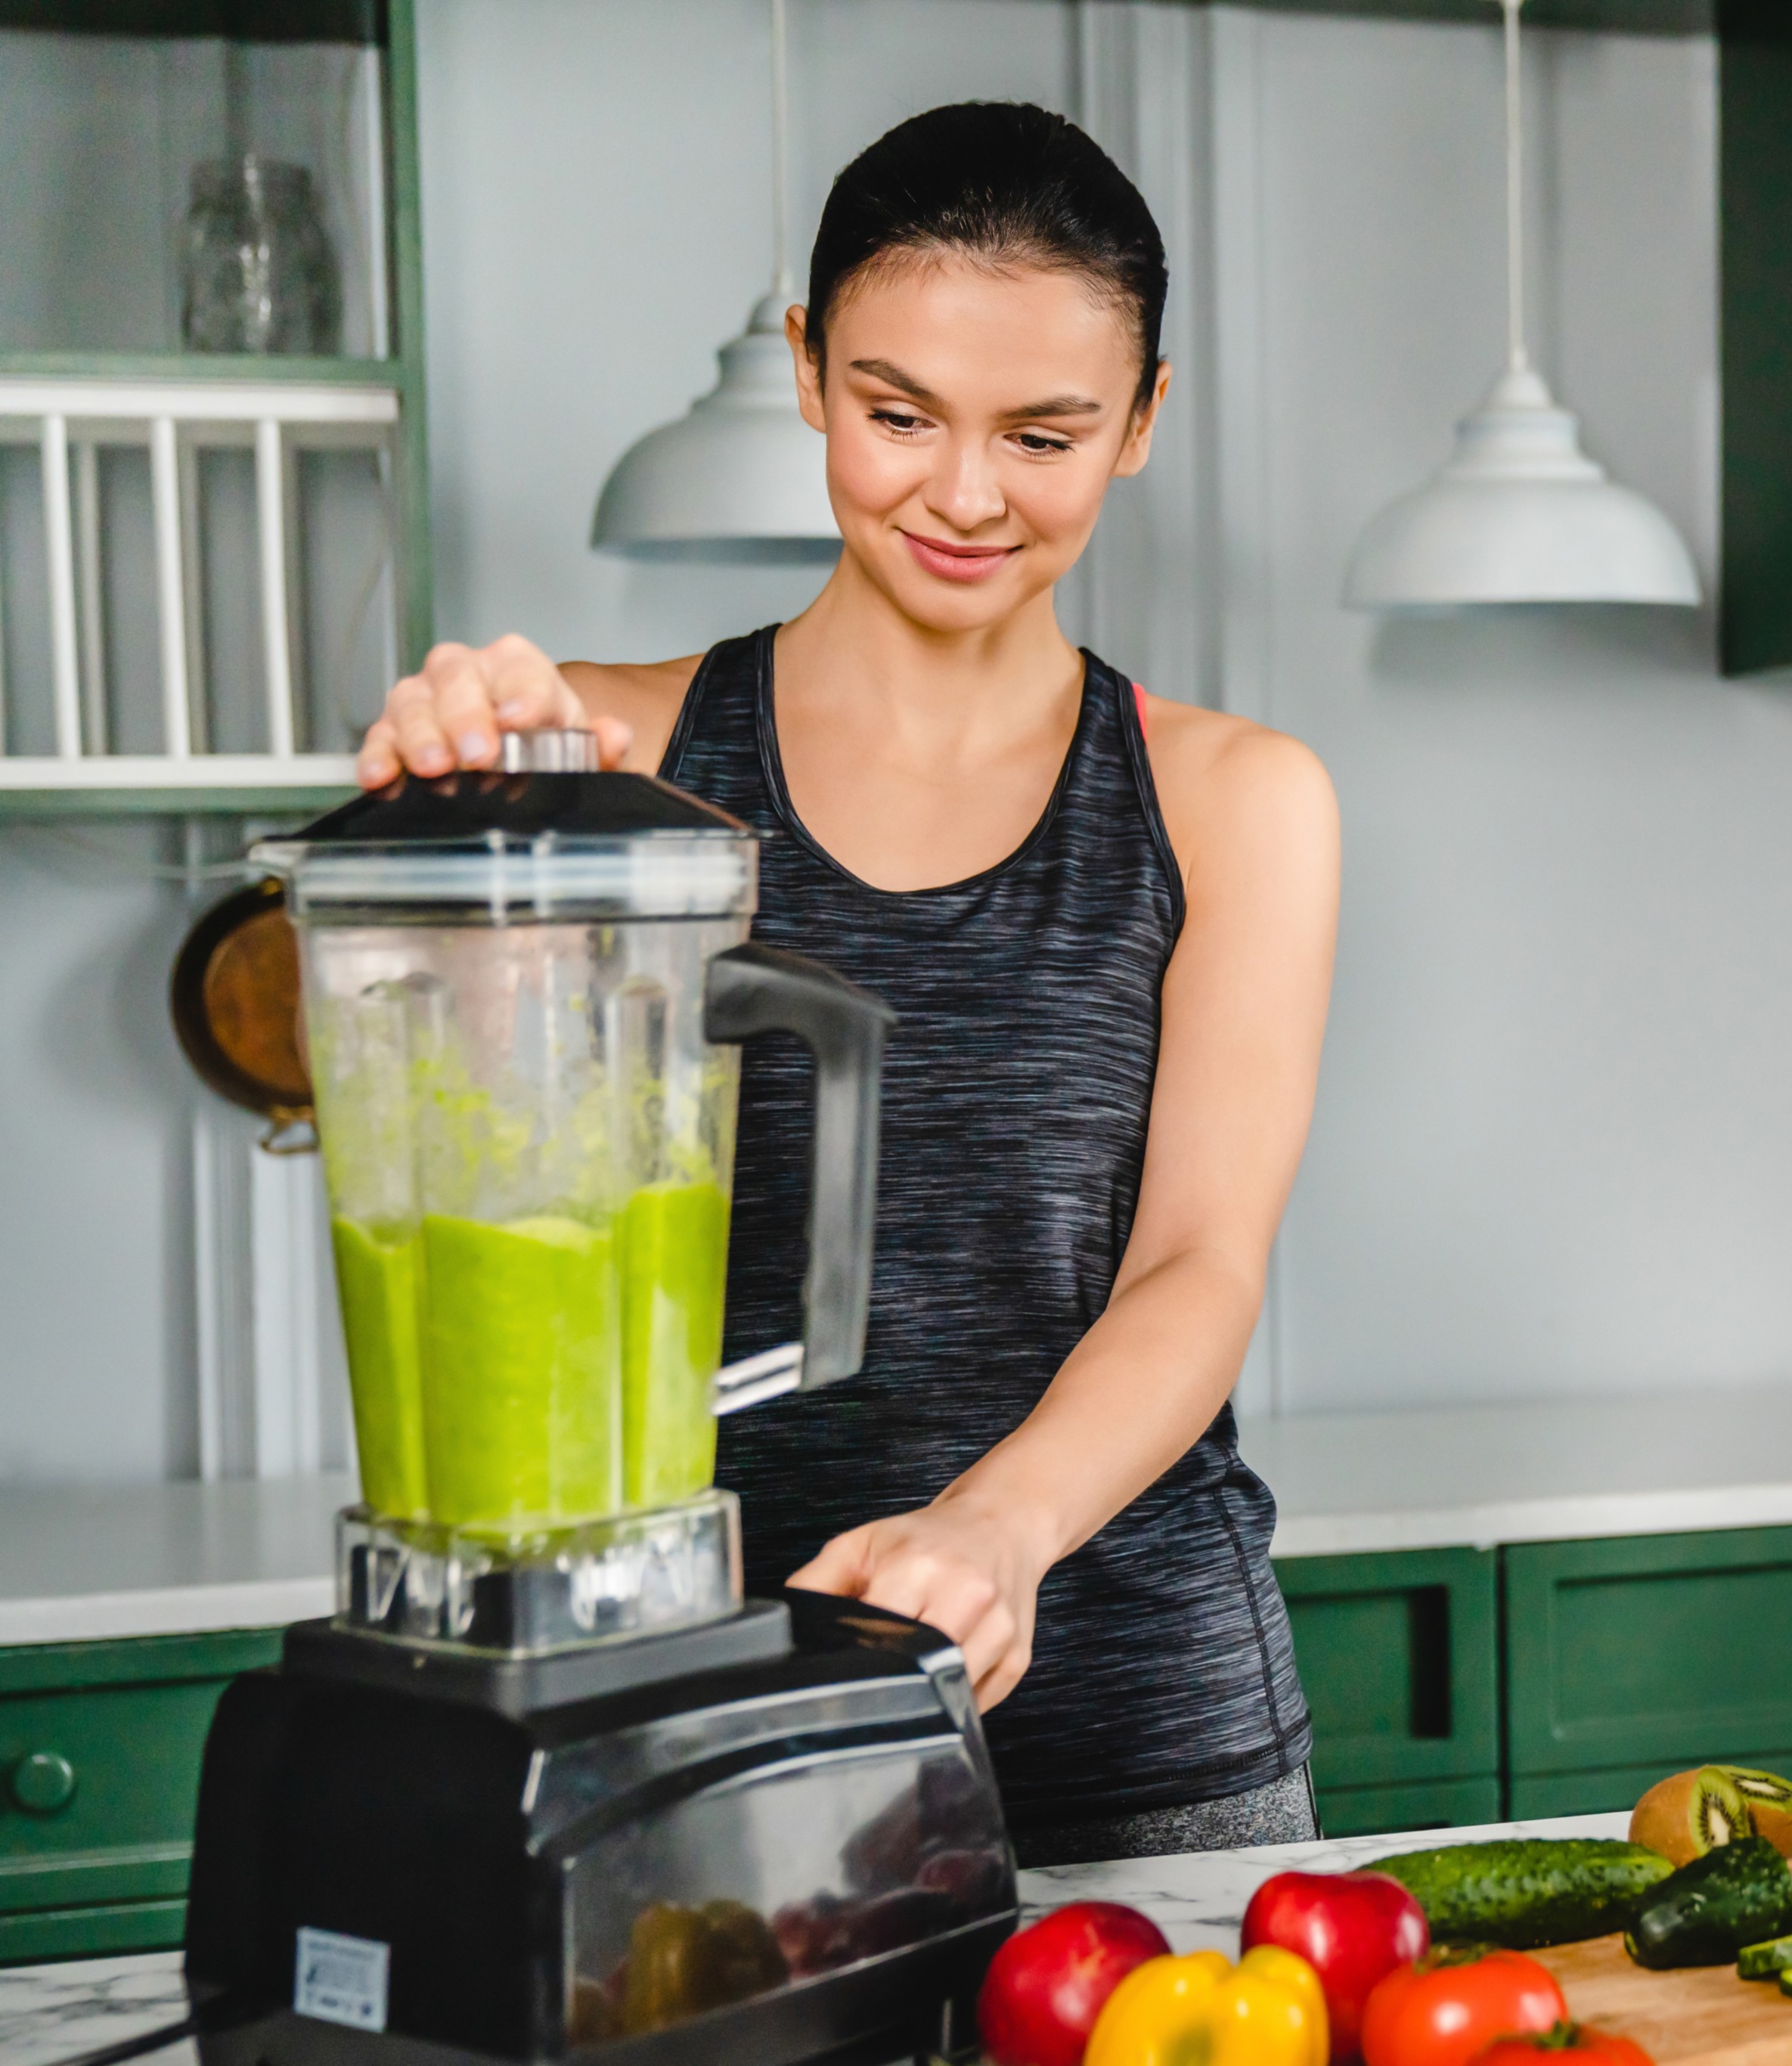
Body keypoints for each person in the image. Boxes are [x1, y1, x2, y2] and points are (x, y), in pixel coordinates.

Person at [352, 102, 1339, 1864]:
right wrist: (453, 844)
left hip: (1132, 1737)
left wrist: (992, 1534)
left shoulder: (1232, 799)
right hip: (687, 1734)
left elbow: (1203, 1262)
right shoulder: (613, 749)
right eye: (898, 415)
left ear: (1141, 424)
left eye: (1044, 434)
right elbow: (479, 1159)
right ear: (807, 371)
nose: (963, 495)